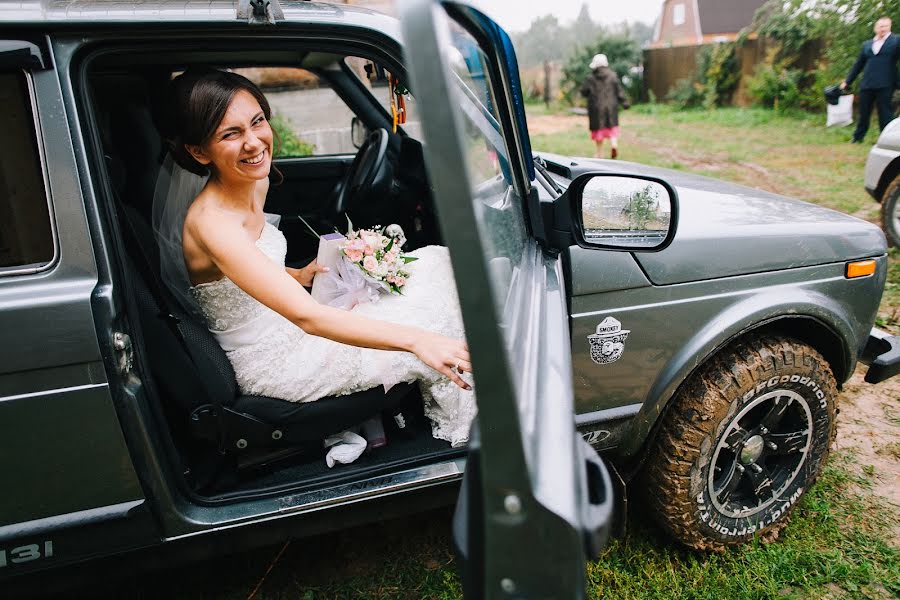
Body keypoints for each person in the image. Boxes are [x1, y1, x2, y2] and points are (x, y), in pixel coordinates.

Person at [153, 68, 476, 447]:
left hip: (291, 320)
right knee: (431, 324)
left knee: (439, 264)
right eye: (231, 134)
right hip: (277, 360)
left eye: (257, 122)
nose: (255, 143)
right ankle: (471, 435)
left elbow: (243, 275)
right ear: (198, 151)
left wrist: (296, 275)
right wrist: (418, 341)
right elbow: (309, 318)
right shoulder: (212, 224)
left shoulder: (252, 181)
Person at [840, 16, 899, 143]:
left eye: (885, 26)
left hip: (886, 83)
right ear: (875, 28)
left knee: (885, 113)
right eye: (879, 26)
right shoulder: (867, 44)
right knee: (864, 113)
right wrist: (847, 81)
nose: (882, 28)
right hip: (867, 84)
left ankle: (886, 139)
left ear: (889, 27)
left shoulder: (896, 41)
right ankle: (858, 138)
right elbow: (858, 64)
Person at [580, 53, 628, 159]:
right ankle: (614, 145)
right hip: (611, 106)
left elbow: (584, 92)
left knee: (599, 131)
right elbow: (619, 91)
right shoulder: (613, 76)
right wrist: (624, 102)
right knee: (612, 128)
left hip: (596, 108)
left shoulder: (590, 78)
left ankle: (599, 153)